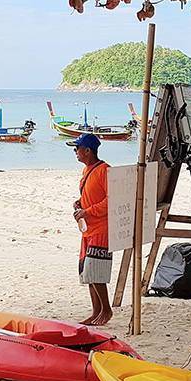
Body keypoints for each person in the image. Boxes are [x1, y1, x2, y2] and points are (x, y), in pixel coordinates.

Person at [70, 133, 112, 326]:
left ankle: (106, 310)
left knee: (95, 270)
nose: (75, 152)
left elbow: (111, 200)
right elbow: (92, 194)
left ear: (88, 150)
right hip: (88, 227)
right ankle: (96, 310)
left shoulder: (104, 170)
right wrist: (80, 203)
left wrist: (88, 211)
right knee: (86, 271)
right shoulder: (87, 170)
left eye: (77, 148)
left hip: (100, 227)